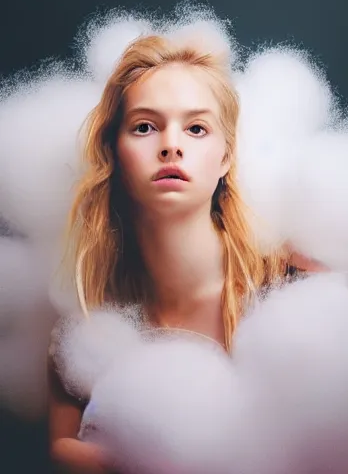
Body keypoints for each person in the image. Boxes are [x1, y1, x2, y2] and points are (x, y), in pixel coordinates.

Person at [47, 32, 324, 474]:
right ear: (113, 153)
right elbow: (61, 450)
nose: (171, 145)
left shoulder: (292, 289)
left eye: (196, 128)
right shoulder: (85, 328)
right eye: (144, 126)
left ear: (225, 158)